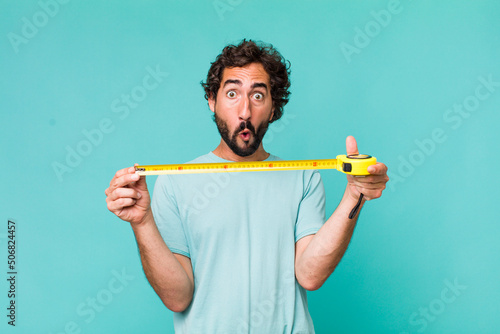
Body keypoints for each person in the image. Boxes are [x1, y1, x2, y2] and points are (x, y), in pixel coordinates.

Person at [105, 39, 389, 333]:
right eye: (231, 93)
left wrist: (355, 195)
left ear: (273, 107)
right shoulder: (175, 182)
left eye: (257, 96)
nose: (244, 111)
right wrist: (142, 223)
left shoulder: (304, 177)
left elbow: (310, 275)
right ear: (211, 101)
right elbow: (177, 298)